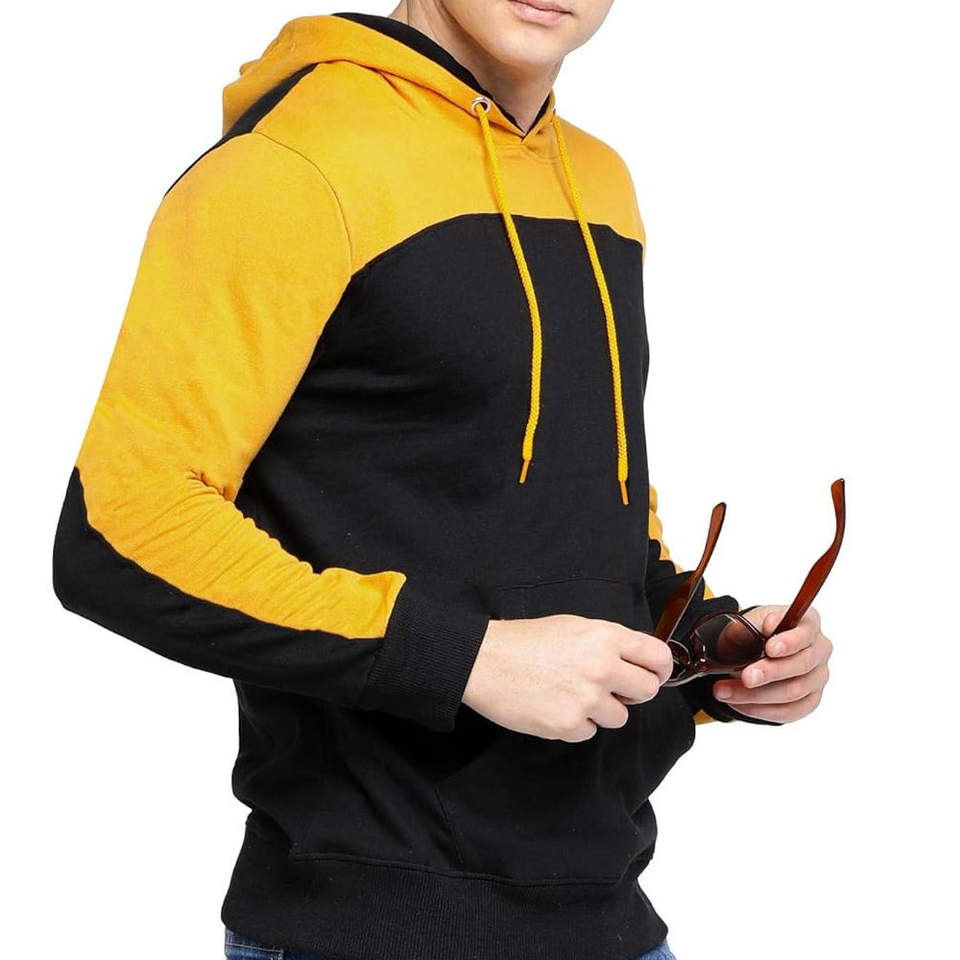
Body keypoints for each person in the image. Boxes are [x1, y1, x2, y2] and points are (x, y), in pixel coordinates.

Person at [51, 3, 834, 959]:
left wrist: (709, 647)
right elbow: (119, 529)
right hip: (364, 924)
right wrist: (465, 659)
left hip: (606, 913)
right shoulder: (294, 163)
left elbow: (578, 515)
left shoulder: (599, 181)